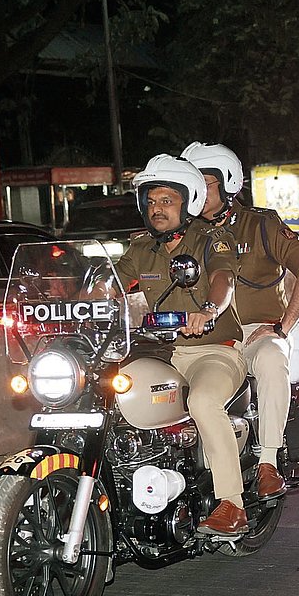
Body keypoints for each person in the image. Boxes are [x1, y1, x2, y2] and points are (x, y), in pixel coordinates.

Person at [183, 142, 299, 499]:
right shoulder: (183, 235)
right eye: (191, 184)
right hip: (204, 339)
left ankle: (268, 464)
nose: (197, 193)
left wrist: (282, 326)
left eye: (205, 182)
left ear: (228, 182)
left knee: (273, 357)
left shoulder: (261, 224)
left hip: (254, 334)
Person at [115, 155, 249, 535]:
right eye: (152, 201)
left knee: (203, 402)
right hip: (162, 354)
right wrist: (69, 300)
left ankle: (232, 504)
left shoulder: (212, 239)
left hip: (214, 351)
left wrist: (209, 309)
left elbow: (223, 280)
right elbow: (110, 284)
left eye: (167, 201)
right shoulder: (141, 249)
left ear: (188, 202)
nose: (157, 209)